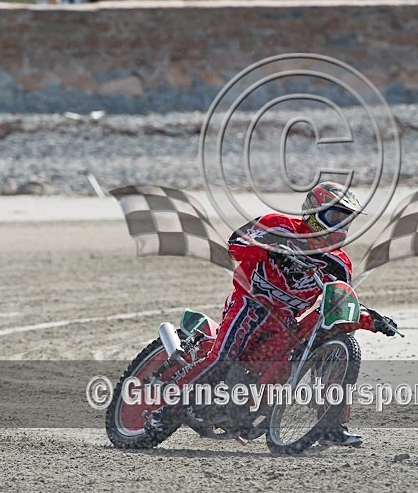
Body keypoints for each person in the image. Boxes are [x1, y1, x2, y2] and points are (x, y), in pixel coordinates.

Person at [150, 181, 397, 447]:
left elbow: (337, 305)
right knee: (222, 360)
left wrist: (371, 321)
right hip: (250, 304)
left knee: (330, 343)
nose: (340, 225)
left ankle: (330, 425)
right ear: (314, 213)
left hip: (286, 322)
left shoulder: (339, 263)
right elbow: (235, 244)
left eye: (346, 219)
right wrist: (271, 250)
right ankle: (168, 412)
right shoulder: (277, 226)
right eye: (335, 216)